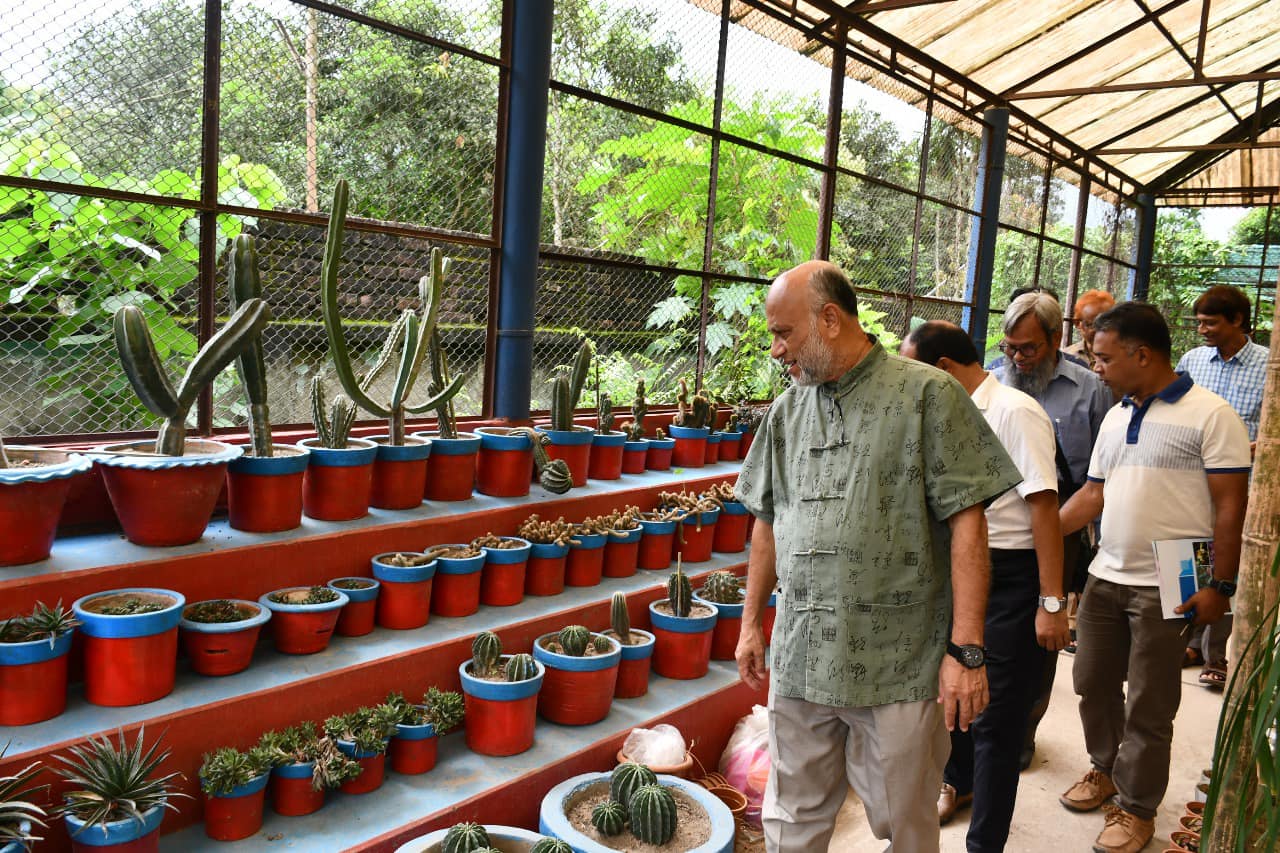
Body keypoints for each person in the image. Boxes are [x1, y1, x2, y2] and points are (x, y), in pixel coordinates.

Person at [733, 261, 1022, 853]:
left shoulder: (929, 395)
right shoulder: (787, 412)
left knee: (905, 820)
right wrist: (749, 624)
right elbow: (767, 521)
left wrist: (966, 652)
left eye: (783, 333)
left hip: (900, 664)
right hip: (801, 657)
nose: (776, 349)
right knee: (791, 816)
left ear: (829, 320)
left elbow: (969, 526)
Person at [1058, 301, 1249, 853]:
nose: (1096, 368)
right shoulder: (1117, 416)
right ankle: (1105, 768)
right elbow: (1092, 494)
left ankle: (1137, 807)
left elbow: (1230, 507)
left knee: (1150, 700)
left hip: (1179, 572)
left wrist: (1221, 584)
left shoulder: (1212, 414)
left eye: (1104, 357)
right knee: (1091, 682)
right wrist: (1034, 538)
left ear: (1142, 355)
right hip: (1106, 570)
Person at [901, 321, 1069, 853]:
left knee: (997, 719)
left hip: (1012, 575)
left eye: (912, 371)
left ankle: (985, 844)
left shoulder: (1015, 412)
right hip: (959, 568)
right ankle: (958, 781)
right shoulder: (945, 410)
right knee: (955, 695)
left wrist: (1050, 601)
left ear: (943, 368)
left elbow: (1044, 507)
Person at [995, 290, 1114, 769]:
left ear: (1055, 338)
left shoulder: (1090, 390)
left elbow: (1103, 474)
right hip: (998, 528)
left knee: (1043, 634)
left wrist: (1086, 536)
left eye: (1029, 348)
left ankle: (1023, 732)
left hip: (1062, 525)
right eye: (1010, 348)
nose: (1018, 358)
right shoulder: (994, 381)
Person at [1174, 284, 1268, 688]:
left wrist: (1256, 445)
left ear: (1237, 321)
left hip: (1241, 483)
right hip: (1193, 479)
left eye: (1210, 323)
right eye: (1199, 322)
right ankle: (1188, 643)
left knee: (1226, 563)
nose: (1202, 330)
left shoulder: (1268, 365)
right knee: (1193, 559)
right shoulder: (1193, 361)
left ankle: (1216, 656)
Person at [1064, 289, 1116, 369]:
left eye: (1107, 324)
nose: (1100, 330)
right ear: (1077, 323)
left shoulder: (1122, 356)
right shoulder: (1066, 357)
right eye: (1092, 325)